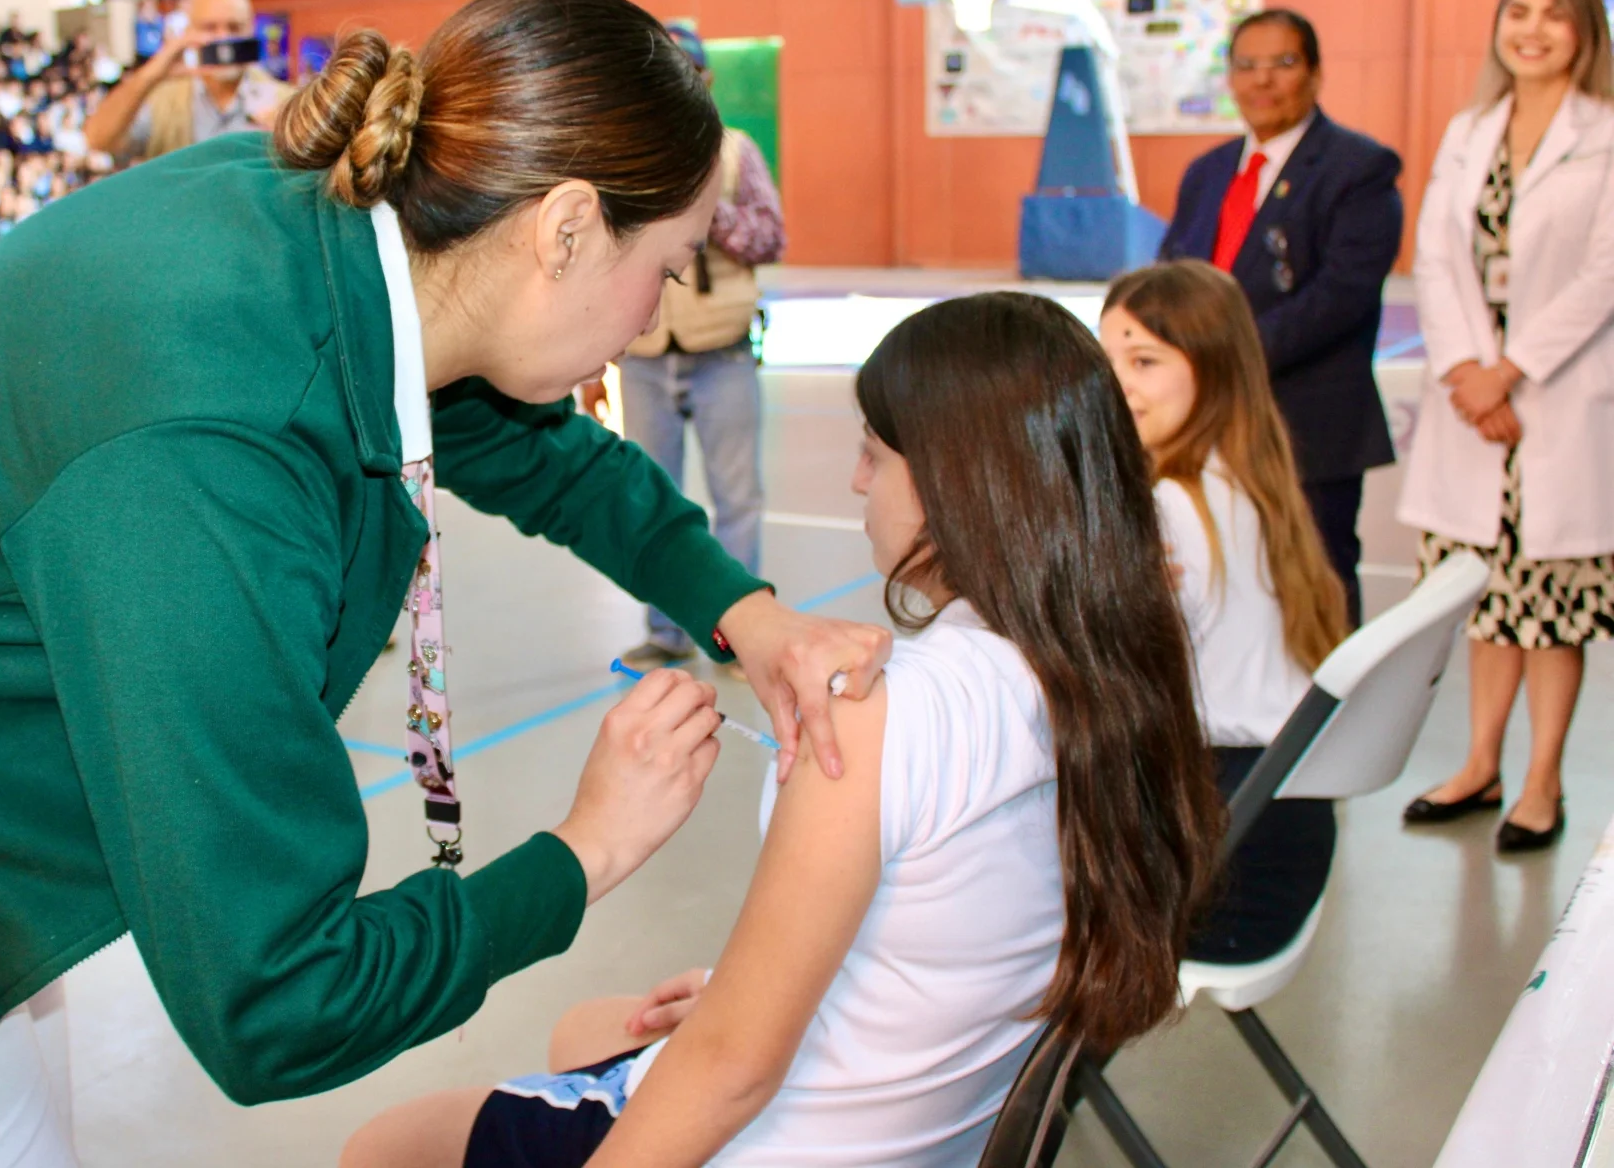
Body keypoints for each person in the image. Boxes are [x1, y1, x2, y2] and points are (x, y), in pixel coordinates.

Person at [0, 0, 891, 1166]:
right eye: (669, 267)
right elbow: (275, 994)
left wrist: (746, 610)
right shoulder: (214, 446)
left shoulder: (325, 235)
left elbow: (537, 452)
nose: (649, 318)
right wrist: (585, 852)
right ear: (566, 226)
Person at [346, 294, 1225, 1168]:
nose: (853, 480)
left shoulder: (878, 713)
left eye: (872, 456)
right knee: (589, 1026)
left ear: (955, 486)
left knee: (385, 1147)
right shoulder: (1113, 669)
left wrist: (733, 1018)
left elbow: (733, 1072)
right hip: (931, 1124)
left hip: (788, 1141)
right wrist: (746, 999)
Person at [1397, 0, 1614, 853]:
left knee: (1551, 611)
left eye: (1553, 16)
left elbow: (1605, 273)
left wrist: (1512, 368)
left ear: (1585, 34)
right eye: (1517, 10)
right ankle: (1479, 764)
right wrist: (1464, 372)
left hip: (1555, 403)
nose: (1531, 29)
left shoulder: (1604, 133)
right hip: (1472, 407)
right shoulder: (1467, 129)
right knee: (1485, 602)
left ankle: (1541, 781)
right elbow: (1436, 259)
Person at [1102, 260, 1348, 962]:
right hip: (1279, 838)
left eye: (1143, 360)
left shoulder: (1173, 510)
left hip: (1223, 865)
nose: (1116, 382)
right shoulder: (1250, 482)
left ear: (1210, 368)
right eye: (1107, 358)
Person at [1161, 9, 1404, 625]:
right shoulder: (1207, 172)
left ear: (1315, 75)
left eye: (1282, 64)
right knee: (1220, 587)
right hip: (1204, 429)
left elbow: (1339, 297)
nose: (1262, 80)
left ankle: (1337, 723)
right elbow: (1172, 282)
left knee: (1315, 590)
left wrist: (1220, 359)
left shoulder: (1360, 170)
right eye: (1246, 65)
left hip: (1305, 430)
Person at [607, 22, 785, 675]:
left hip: (723, 351)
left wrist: (709, 208)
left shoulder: (736, 154)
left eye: (690, 74)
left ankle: (733, 632)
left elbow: (772, 237)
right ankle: (667, 630)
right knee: (654, 497)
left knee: (737, 497)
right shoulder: (621, 159)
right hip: (646, 354)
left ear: (705, 82)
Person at [83, 0, 288, 164]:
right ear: (189, 31)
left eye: (234, 27)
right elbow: (98, 140)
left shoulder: (285, 102)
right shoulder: (162, 103)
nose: (223, 38)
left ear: (250, 31)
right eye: (209, 28)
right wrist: (151, 74)